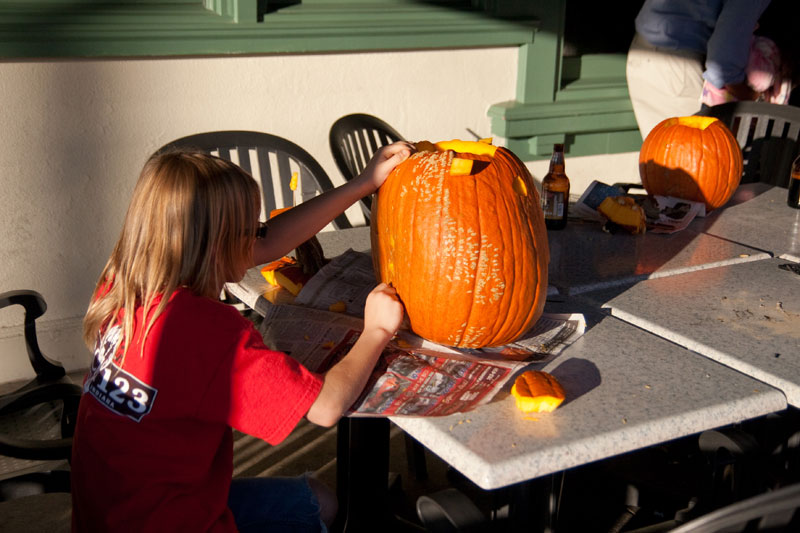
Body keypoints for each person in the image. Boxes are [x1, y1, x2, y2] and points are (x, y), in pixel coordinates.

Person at [70, 141, 413, 532]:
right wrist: (377, 330)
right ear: (218, 245)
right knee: (324, 506)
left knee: (318, 502)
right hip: (176, 520)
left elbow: (269, 243)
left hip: (118, 512)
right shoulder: (208, 332)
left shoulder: (122, 285)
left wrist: (362, 183)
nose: (260, 242)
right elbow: (326, 406)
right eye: (252, 230)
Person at [626, 0, 771, 139]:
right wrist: (756, 98)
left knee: (661, 160)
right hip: (677, 69)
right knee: (691, 160)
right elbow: (722, 65)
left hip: (642, 54)